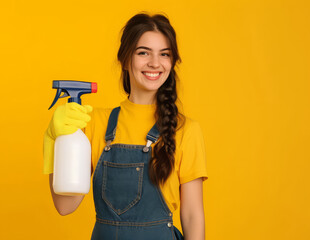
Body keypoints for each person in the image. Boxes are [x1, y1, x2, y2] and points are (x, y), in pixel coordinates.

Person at [43, 12, 208, 240]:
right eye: (143, 53)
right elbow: (65, 206)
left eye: (164, 54)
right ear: (125, 59)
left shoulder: (186, 129)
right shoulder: (92, 124)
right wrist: (55, 141)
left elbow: (192, 215)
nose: (155, 63)